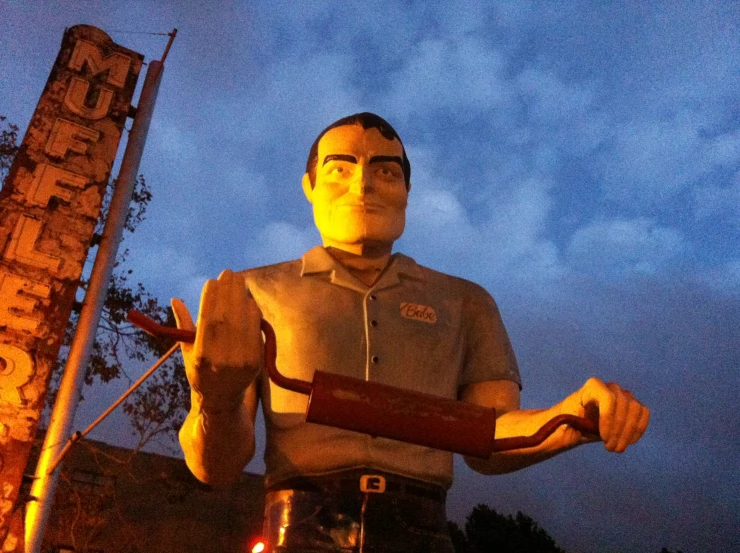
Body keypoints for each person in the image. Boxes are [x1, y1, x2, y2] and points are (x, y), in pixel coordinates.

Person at [171, 113, 650, 552]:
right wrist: (214, 400)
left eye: (386, 171)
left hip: (421, 530)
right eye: (341, 168)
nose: (363, 185)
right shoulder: (252, 293)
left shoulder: (466, 302)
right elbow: (216, 467)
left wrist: (569, 418)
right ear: (309, 186)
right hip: (300, 525)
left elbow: (488, 438)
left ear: (406, 191)